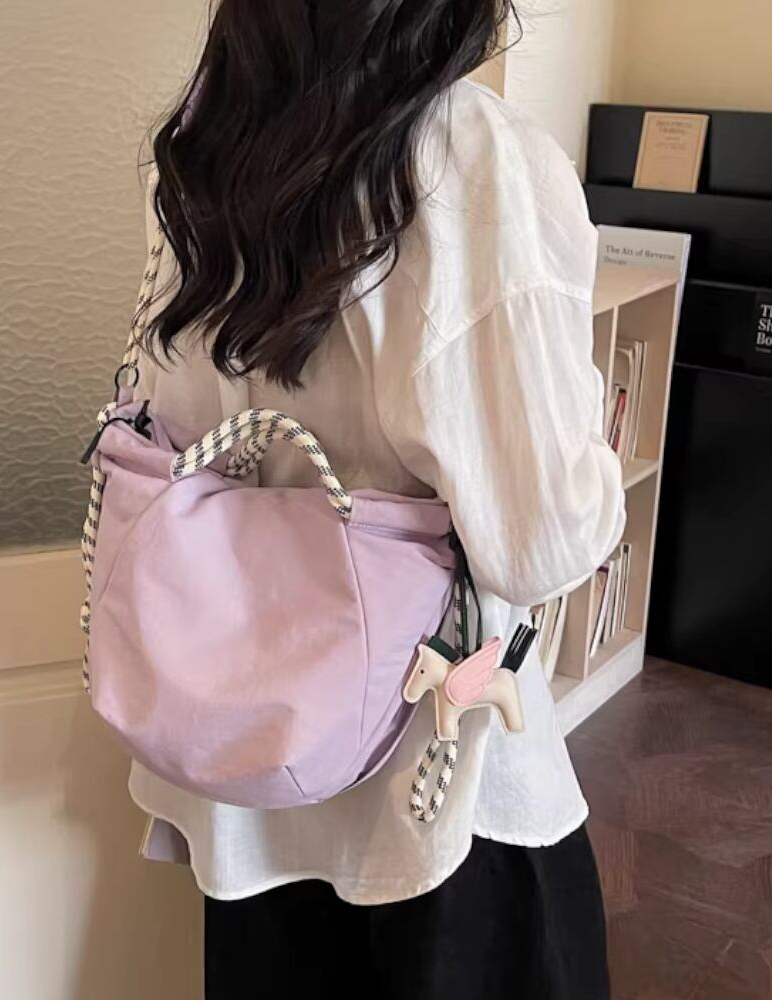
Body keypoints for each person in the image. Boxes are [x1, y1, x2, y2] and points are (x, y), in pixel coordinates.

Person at [127, 2, 625, 997]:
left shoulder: (198, 153)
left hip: (242, 763)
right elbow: (539, 541)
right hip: (432, 782)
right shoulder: (467, 156)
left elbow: (167, 424)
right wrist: (598, 462)